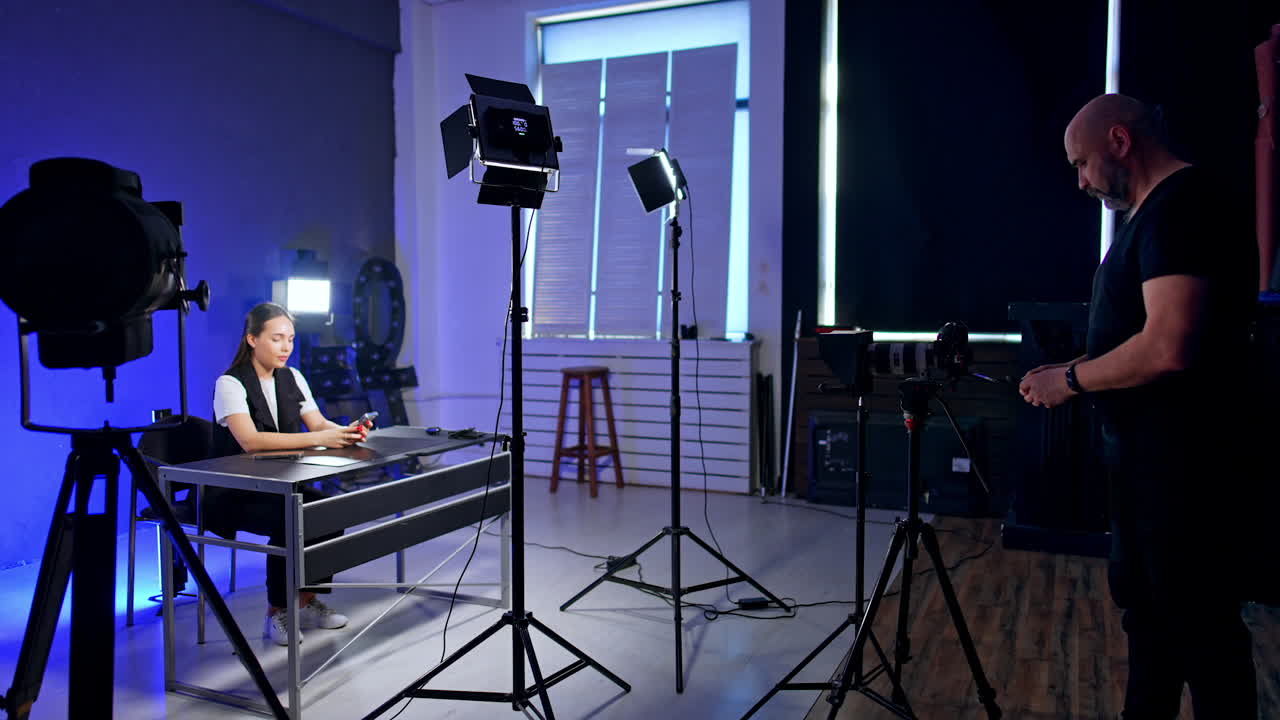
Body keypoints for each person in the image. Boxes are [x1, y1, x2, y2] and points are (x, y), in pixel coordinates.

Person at [1019, 94, 1258, 718]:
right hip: (1148, 470)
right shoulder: (1152, 214)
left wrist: (1071, 380)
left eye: (1082, 164)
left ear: (1120, 142)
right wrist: (1069, 369)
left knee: (1201, 635)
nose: (1081, 182)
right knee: (1152, 625)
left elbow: (1168, 346)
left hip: (1185, 471)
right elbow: (1137, 335)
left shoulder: (1184, 206)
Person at [206, 302, 372, 646]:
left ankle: (305, 601)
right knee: (290, 518)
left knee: (328, 511)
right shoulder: (230, 383)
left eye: (291, 339)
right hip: (234, 493)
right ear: (252, 339)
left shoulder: (292, 377)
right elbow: (251, 441)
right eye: (277, 338)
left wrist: (346, 431)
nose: (286, 347)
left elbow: (319, 424)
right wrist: (320, 438)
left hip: (281, 484)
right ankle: (276, 612)